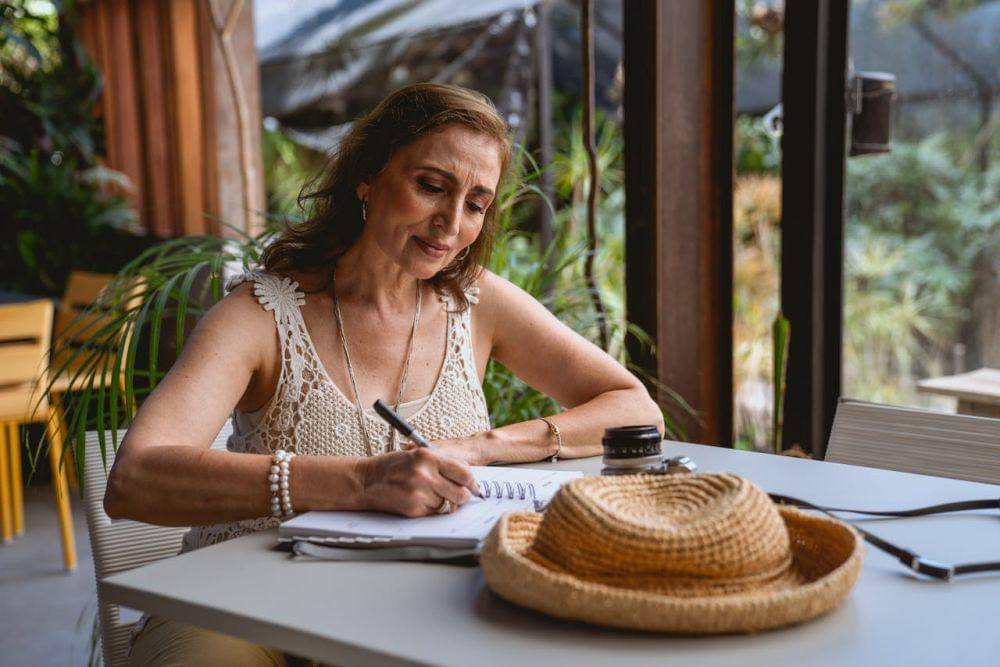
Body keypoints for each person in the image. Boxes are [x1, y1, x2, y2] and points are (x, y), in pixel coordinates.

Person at [108, 82, 663, 666]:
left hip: (410, 607)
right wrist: (361, 482)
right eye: (431, 186)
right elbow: (134, 479)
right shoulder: (261, 313)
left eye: (476, 204)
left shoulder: (478, 303)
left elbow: (634, 406)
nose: (450, 223)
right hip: (240, 603)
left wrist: (486, 446)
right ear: (367, 178)